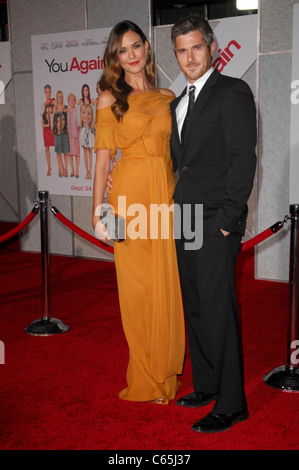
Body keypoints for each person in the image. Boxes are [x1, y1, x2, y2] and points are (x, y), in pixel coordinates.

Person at [170, 13, 257, 433]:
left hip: (214, 221)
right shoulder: (176, 103)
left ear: (212, 48)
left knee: (219, 310)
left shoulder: (233, 92)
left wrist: (227, 222)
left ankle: (233, 403)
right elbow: (183, 165)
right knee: (196, 306)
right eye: (182, 51)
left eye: (196, 48)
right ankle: (205, 384)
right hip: (184, 218)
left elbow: (244, 161)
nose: (189, 57)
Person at [92, 20, 185, 404]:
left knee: (167, 285)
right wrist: (98, 210)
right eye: (121, 51)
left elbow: (180, 154)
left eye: (135, 47)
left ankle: (165, 375)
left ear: (147, 48)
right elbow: (101, 162)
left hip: (165, 193)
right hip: (126, 199)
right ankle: (146, 375)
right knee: (137, 290)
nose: (130, 56)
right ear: (115, 58)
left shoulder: (168, 96)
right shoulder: (107, 97)